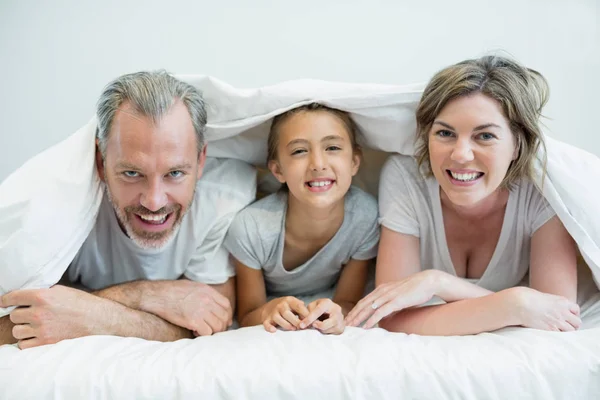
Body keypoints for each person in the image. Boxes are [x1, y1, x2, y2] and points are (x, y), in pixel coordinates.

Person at [0, 71, 257, 349]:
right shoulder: (56, 209)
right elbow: (14, 323)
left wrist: (90, 310)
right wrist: (141, 295)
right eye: (132, 173)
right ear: (101, 162)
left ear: (201, 160)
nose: (154, 202)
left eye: (175, 173)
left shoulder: (223, 200)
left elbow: (211, 321)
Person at [346, 55, 581, 335]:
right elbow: (392, 317)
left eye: (485, 136)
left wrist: (438, 283)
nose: (460, 155)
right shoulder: (406, 178)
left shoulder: (541, 190)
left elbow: (558, 315)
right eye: (445, 133)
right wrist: (513, 305)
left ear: (517, 144)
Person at [225, 103, 380, 335]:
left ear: (354, 162)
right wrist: (269, 310)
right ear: (278, 170)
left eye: (333, 147)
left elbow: (347, 301)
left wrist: (336, 312)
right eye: (299, 151)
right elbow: (247, 315)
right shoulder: (251, 228)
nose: (318, 164)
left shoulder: (364, 218)